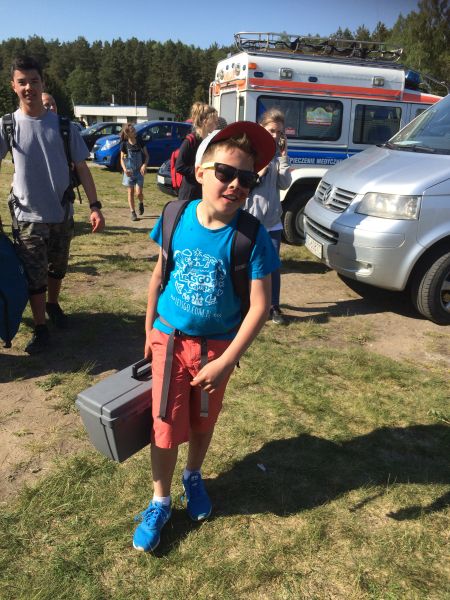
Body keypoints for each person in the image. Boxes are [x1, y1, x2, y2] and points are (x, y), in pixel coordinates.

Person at [133, 121, 279, 552]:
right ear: (200, 172)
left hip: (216, 351)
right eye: (225, 173)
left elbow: (260, 307)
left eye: (246, 179)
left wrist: (226, 361)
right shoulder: (174, 216)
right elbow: (159, 275)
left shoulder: (251, 236)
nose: (235, 185)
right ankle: (160, 500)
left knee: (202, 421)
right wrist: (149, 329)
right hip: (169, 339)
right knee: (164, 424)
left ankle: (193, 476)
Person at [0, 56, 105, 354]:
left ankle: (53, 305)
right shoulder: (7, 125)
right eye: (22, 82)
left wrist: (95, 205)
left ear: (42, 82)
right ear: (13, 86)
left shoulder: (64, 126)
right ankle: (40, 328)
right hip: (27, 215)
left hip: (61, 212)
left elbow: (82, 167)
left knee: (58, 267)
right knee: (34, 275)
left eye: (34, 81)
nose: (29, 87)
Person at [244, 109, 291, 325]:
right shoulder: (250, 152)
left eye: (279, 132)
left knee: (272, 266)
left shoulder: (277, 156)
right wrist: (259, 173)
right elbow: (244, 185)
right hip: (251, 220)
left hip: (272, 222)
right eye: (271, 130)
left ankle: (273, 306)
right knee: (247, 264)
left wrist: (283, 157)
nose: (275, 135)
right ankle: (247, 304)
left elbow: (284, 183)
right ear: (261, 128)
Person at [175, 101, 218, 200]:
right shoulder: (190, 140)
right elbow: (179, 167)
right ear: (205, 121)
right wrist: (199, 171)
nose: (217, 124)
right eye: (214, 121)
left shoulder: (208, 140)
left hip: (202, 190)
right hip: (189, 192)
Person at [119, 123, 149, 221]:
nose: (135, 132)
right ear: (128, 134)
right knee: (130, 192)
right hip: (129, 172)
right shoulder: (124, 144)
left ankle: (141, 202)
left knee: (138, 193)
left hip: (139, 172)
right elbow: (121, 159)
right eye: (132, 131)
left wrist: (144, 165)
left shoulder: (140, 142)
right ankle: (133, 212)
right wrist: (125, 170)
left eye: (134, 130)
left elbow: (147, 156)